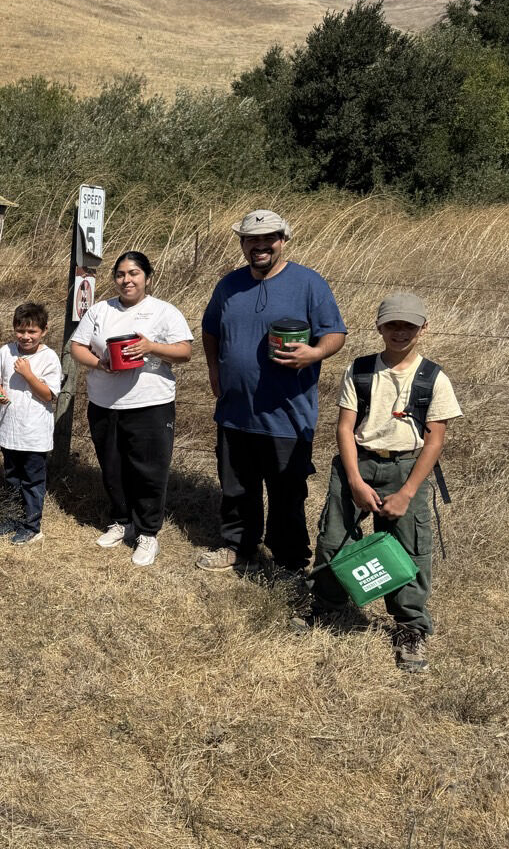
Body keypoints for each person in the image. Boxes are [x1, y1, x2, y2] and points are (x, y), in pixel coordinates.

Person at [294, 293, 461, 673]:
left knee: (410, 550)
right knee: (334, 538)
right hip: (358, 464)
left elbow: (435, 439)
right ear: (379, 327)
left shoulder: (433, 378)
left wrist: (406, 492)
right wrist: (353, 480)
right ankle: (327, 607)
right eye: (392, 325)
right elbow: (345, 427)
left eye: (408, 326)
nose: (399, 332)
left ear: (423, 328)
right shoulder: (362, 370)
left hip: (406, 471)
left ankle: (410, 627)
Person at [196, 210, 346, 576]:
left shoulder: (309, 283)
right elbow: (210, 329)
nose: (260, 245)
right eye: (251, 239)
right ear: (243, 244)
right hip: (235, 410)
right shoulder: (228, 285)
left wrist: (314, 353)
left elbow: (335, 334)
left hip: (286, 413)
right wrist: (214, 369)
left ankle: (289, 560)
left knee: (287, 492)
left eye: (269, 239)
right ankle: (238, 546)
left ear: (283, 240)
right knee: (236, 487)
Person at [70, 251, 193, 567]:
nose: (127, 280)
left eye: (134, 273)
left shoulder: (163, 312)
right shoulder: (100, 310)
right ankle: (122, 521)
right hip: (105, 403)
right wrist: (101, 363)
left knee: (149, 470)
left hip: (150, 404)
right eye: (121, 274)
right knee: (112, 466)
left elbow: (184, 352)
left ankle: (148, 532)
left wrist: (151, 347)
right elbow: (77, 347)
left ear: (147, 278)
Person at [0, 302, 62, 546]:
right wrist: (1, 395)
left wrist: (28, 375)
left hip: (34, 434)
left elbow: (48, 395)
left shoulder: (48, 358)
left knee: (32, 481)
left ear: (44, 331)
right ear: (14, 329)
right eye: (21, 331)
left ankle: (31, 525)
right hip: (10, 430)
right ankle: (11, 518)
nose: (26, 337)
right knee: (12, 478)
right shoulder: (6, 352)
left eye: (32, 332)